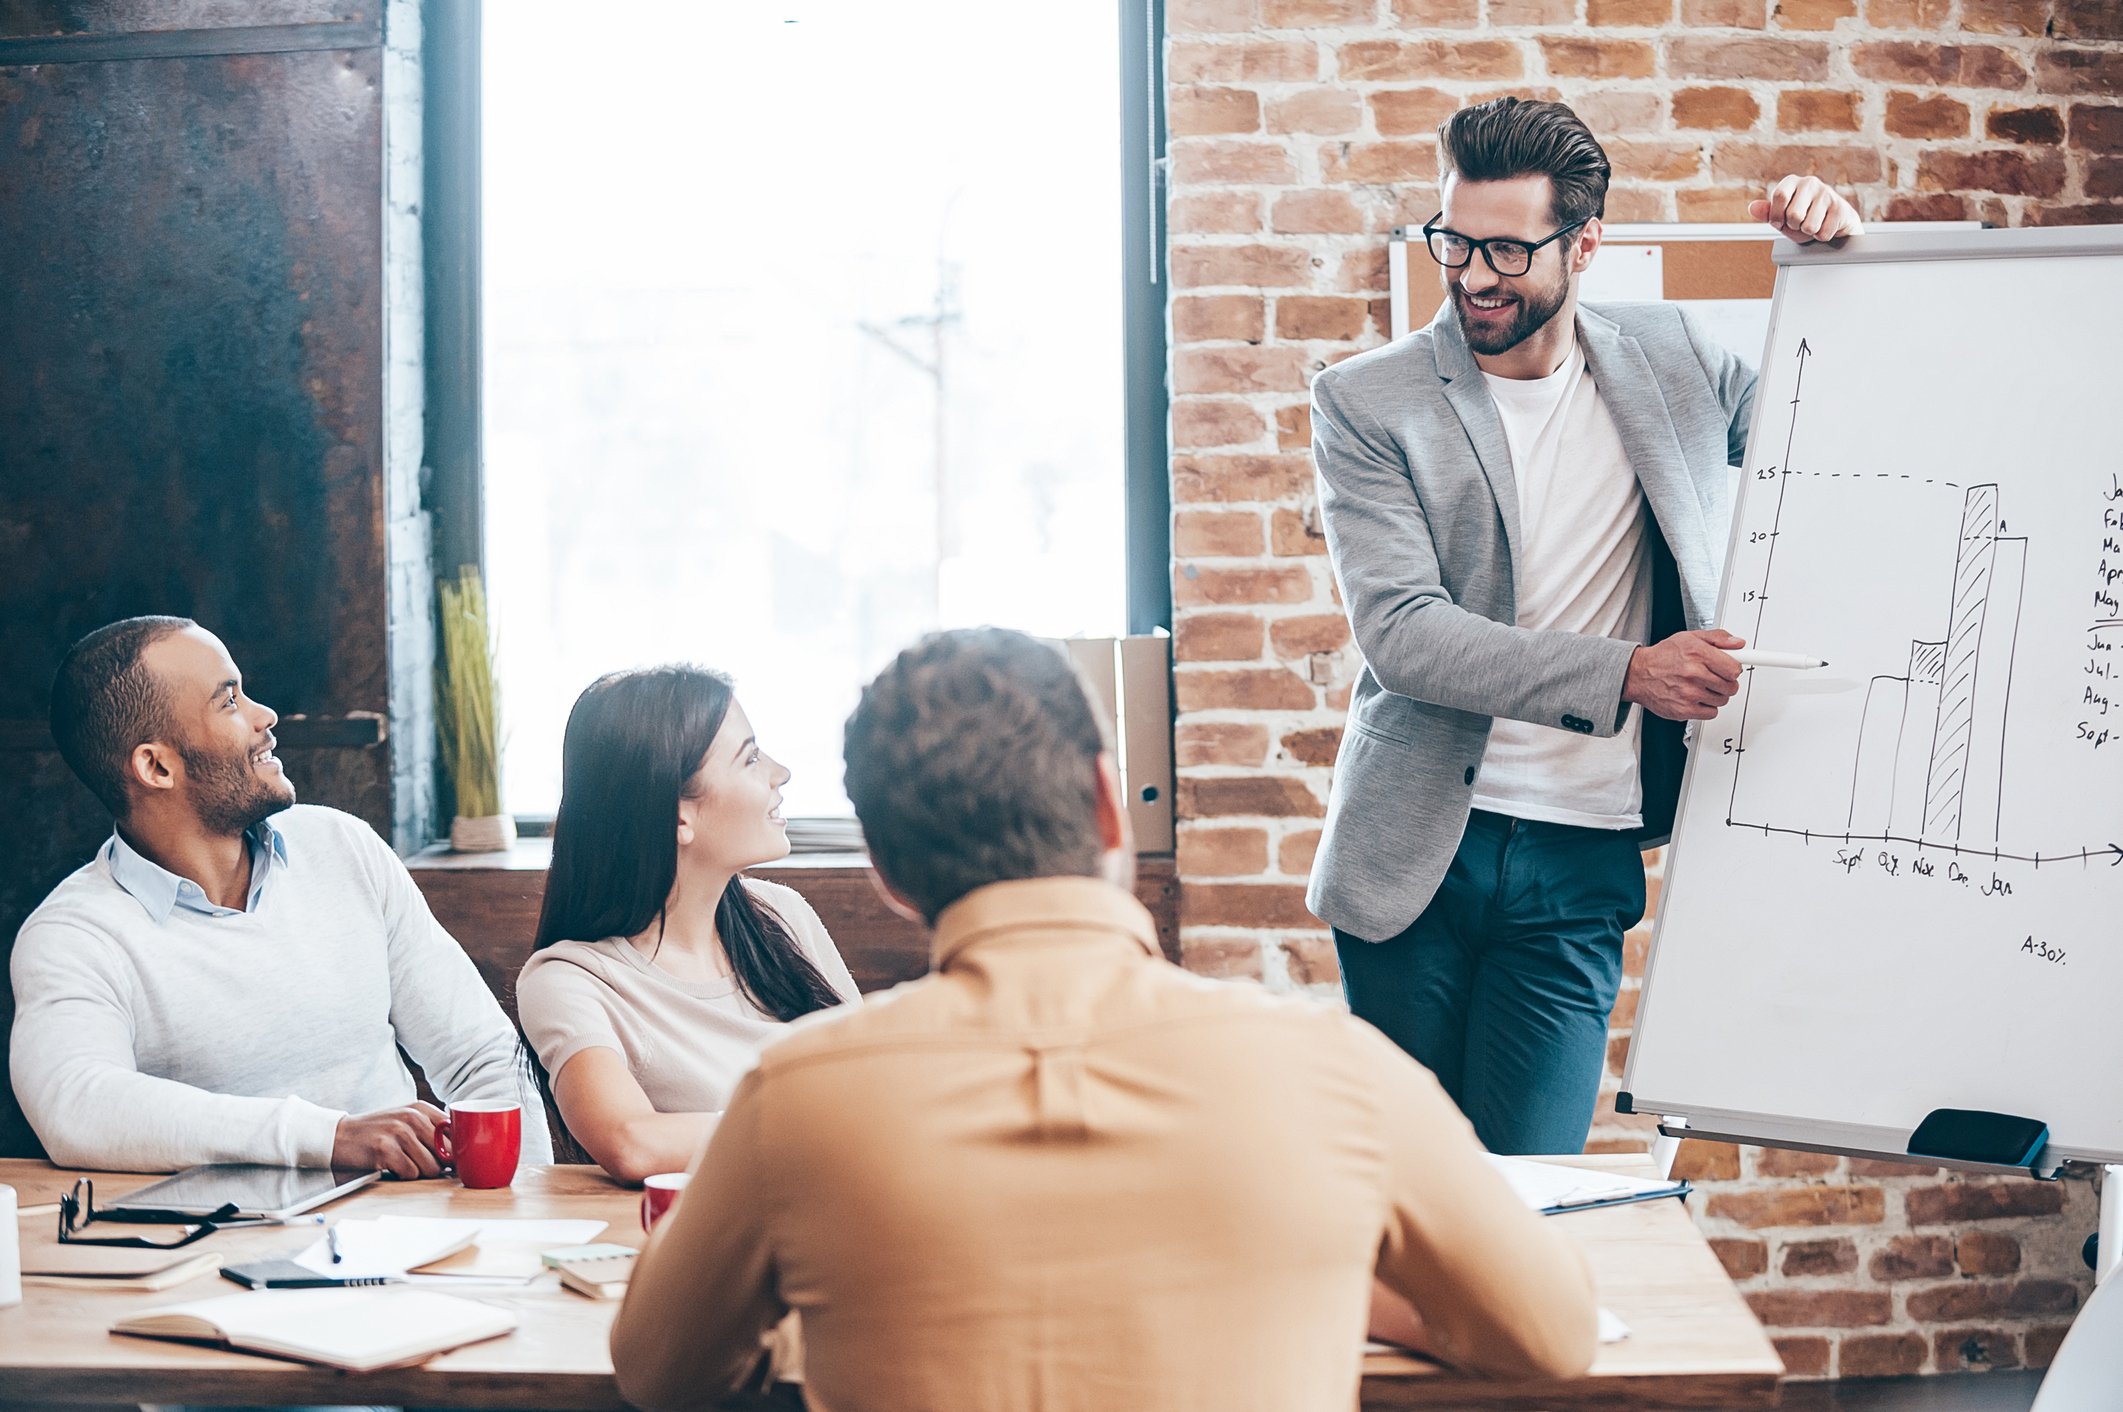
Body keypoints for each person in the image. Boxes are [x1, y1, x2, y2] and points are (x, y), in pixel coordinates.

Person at [610, 628, 1596, 1412]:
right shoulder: (1339, 1070)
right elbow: (1553, 1336)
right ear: (1105, 802)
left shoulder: (797, 1098)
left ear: (886, 869)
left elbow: (657, 1372)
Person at [1307, 96, 1863, 1155]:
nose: (1471, 275)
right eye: (1453, 240)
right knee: (1415, 1192)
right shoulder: (1366, 401)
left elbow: (1835, 429)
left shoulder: (1673, 356)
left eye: (1507, 250)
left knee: (1533, 1194)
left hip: (1581, 857)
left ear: (1585, 243)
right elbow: (1404, 633)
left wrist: (1836, 264)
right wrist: (1628, 671)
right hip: (1418, 850)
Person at [11, 616, 550, 1173]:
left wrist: (522, 1209)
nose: (265, 717)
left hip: (402, 1231)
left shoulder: (344, 847)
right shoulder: (73, 936)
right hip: (215, 1247)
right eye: (229, 702)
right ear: (156, 765)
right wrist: (328, 1136)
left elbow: (481, 1059)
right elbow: (77, 1105)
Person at [515, 666, 858, 1183]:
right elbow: (633, 1143)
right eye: (750, 758)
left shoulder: (784, 917)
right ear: (679, 815)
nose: (779, 772)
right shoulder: (568, 980)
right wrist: (824, 1121)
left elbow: (879, 1080)